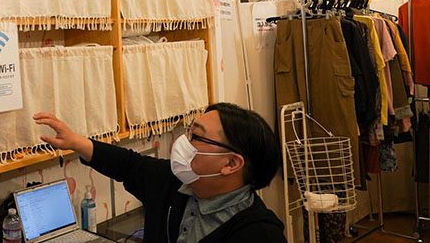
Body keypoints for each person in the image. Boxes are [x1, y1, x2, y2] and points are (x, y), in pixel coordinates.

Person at [34, 103, 286, 243]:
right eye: (189, 131)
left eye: (196, 136)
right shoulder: (173, 183)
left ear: (231, 164)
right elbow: (128, 165)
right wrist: (77, 142)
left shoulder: (260, 235)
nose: (183, 142)